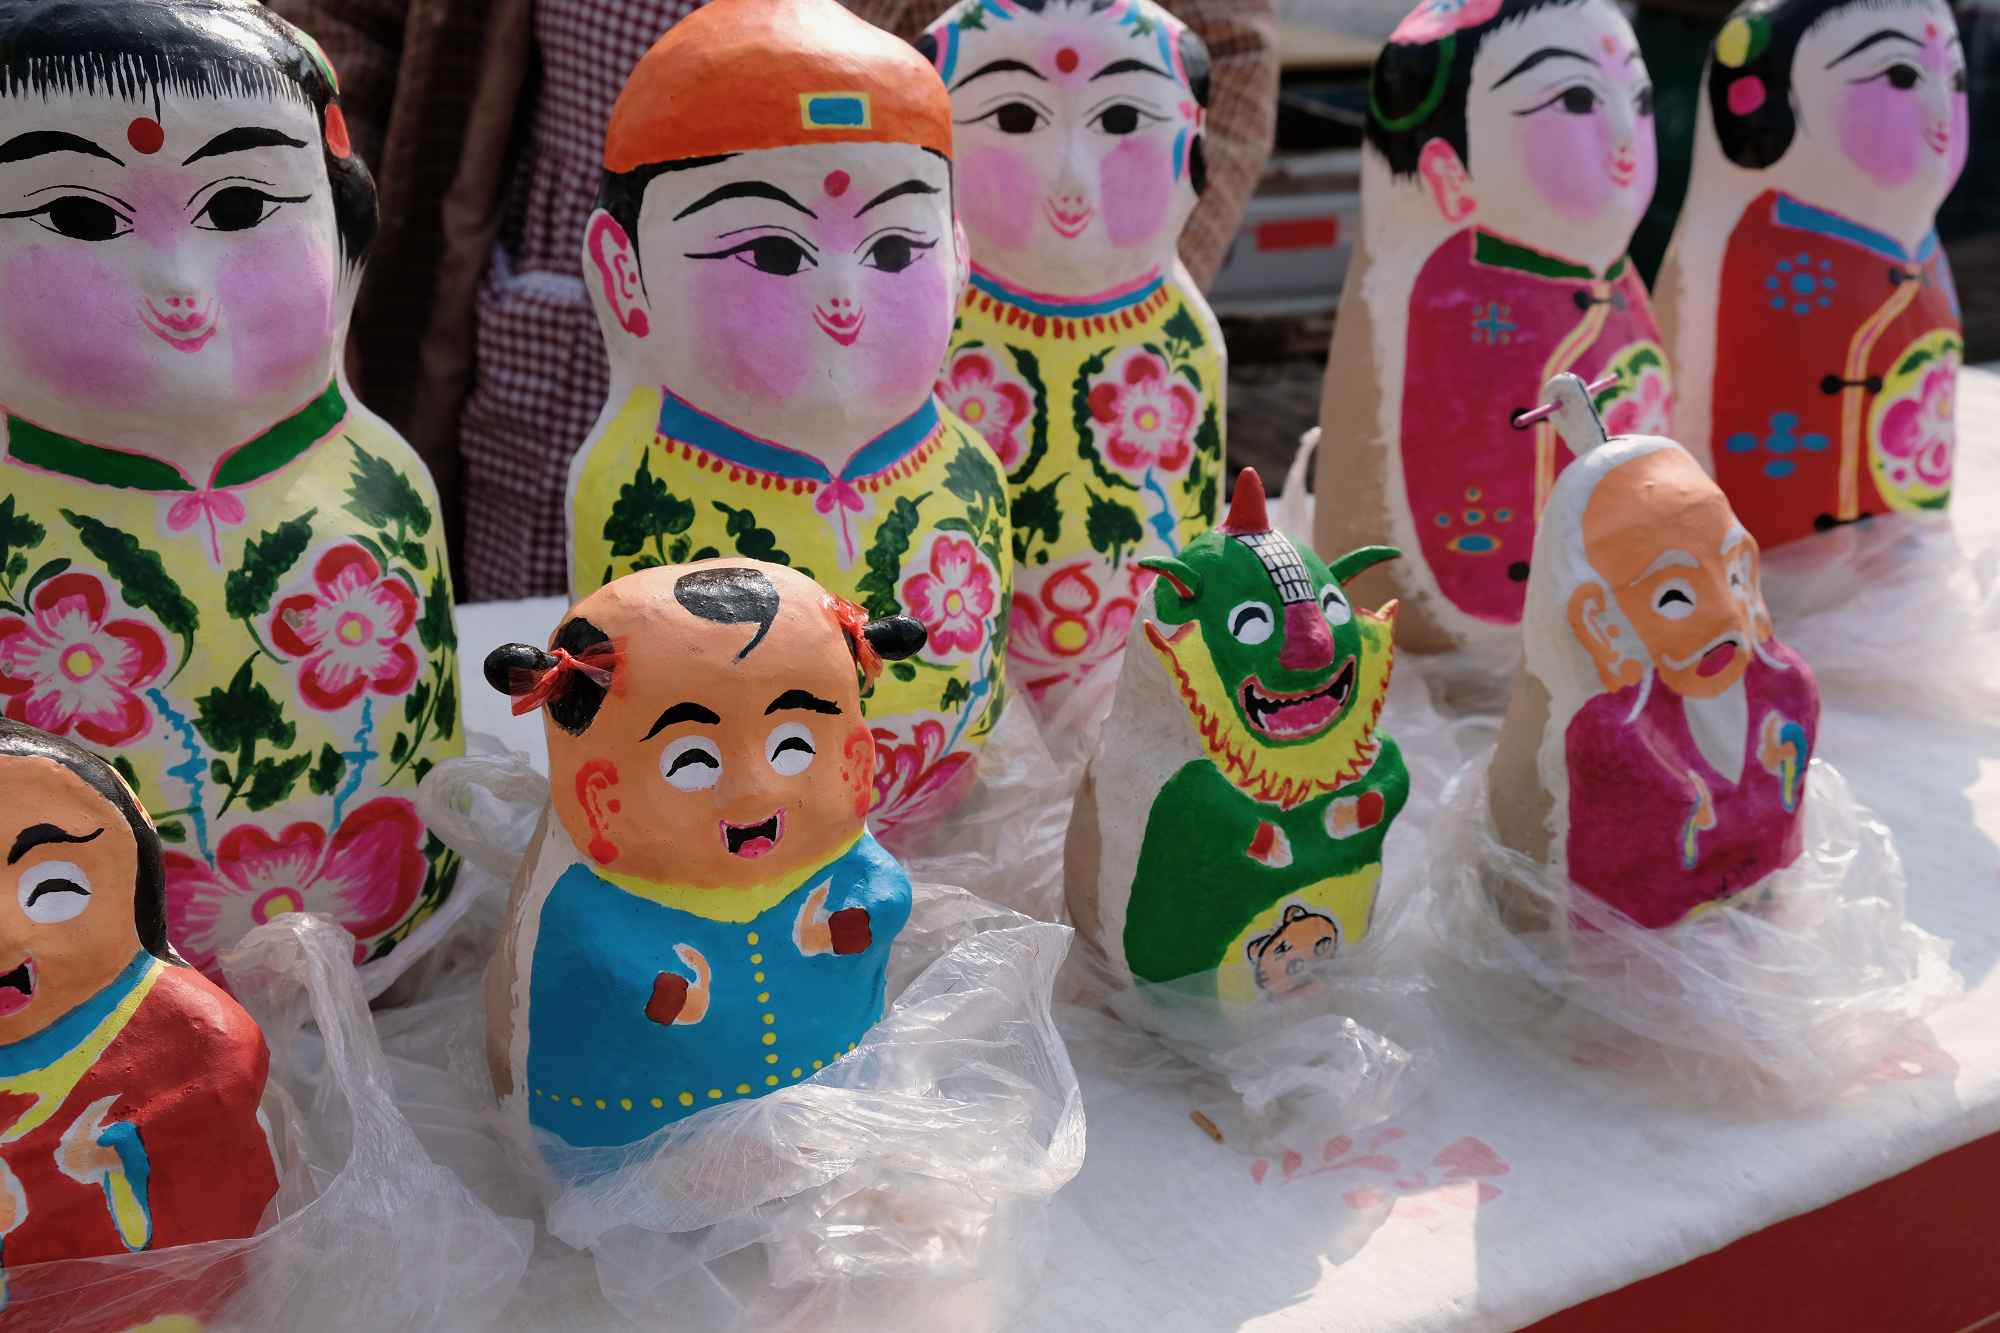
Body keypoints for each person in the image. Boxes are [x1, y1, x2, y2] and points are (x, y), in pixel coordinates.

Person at [269, 0, 1276, 602]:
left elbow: (1224, 45)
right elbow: (343, 25)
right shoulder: (620, 456)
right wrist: (310, 268)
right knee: (599, 652)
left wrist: (1100, 275)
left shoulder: (981, 416)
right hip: (536, 327)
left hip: (941, 358)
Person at [0, 0, 463, 986]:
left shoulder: (382, 485)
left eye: (242, 206)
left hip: (389, 971)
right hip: (88, 1023)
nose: (179, 282)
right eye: (80, 217)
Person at [481, 563, 921, 1146]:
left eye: (793, 746)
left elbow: (885, 891)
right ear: (598, 796)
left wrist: (865, 911)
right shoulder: (591, 894)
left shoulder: (834, 853)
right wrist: (647, 985)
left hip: (832, 1091)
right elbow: (588, 954)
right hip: (633, 1127)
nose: (753, 792)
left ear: (856, 760)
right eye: (691, 761)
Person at [1657, 0, 1966, 549]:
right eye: (1902, 76)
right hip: (1761, 554)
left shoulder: (1922, 246)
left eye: (1956, 79)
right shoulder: (1742, 245)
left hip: (1906, 541)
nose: (1942, 109)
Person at [0, 719, 278, 1316]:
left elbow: (222, 1084)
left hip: (165, 1293)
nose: (6, 934)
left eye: (54, 889)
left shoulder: (178, 1025)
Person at [1531, 426, 1818, 928]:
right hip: (1642, 945)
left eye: (1732, 578)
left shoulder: (1786, 689)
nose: (1723, 614)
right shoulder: (1612, 735)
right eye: (1674, 598)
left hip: (1759, 900)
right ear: (1602, 623)